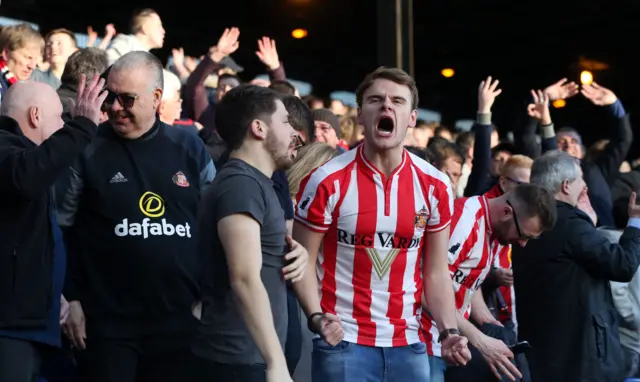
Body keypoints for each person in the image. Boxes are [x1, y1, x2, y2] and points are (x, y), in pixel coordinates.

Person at [293, 67, 470, 382]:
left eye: (397, 101)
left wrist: (448, 331)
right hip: (343, 342)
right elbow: (302, 260)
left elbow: (436, 270)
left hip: (409, 343)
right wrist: (317, 318)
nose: (387, 106)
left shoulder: (436, 185)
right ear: (360, 115)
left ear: (412, 118)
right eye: (376, 100)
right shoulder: (326, 181)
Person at [57, 51, 215, 382]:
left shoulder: (189, 148)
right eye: (109, 96)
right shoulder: (88, 149)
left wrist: (208, 297)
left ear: (156, 98)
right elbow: (61, 227)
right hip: (107, 326)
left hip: (180, 323)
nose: (114, 107)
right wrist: (69, 298)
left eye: (127, 99)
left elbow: (217, 223)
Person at [191, 85, 329, 382]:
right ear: (259, 128)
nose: (295, 134)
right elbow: (244, 278)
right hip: (239, 360)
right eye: (285, 122)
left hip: (249, 357)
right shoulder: (241, 184)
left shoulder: (257, 184)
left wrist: (297, 253)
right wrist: (275, 362)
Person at [0, 76, 106, 382]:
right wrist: (83, 126)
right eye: (60, 117)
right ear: (35, 116)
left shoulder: (30, 160)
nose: (63, 125)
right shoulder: (6, 146)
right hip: (10, 328)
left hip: (34, 324)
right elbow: (26, 176)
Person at [513, 150, 640, 382]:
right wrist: (635, 222)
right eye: (581, 179)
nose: (585, 186)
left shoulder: (526, 219)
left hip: (542, 350)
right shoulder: (571, 225)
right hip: (580, 356)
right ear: (565, 185)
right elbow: (623, 265)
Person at [424, 183, 556, 382]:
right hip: (424, 340)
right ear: (506, 211)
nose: (522, 244)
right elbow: (426, 288)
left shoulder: (493, 230)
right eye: (523, 235)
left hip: (449, 340)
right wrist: (480, 340)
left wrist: (489, 323)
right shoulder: (464, 222)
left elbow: (467, 280)